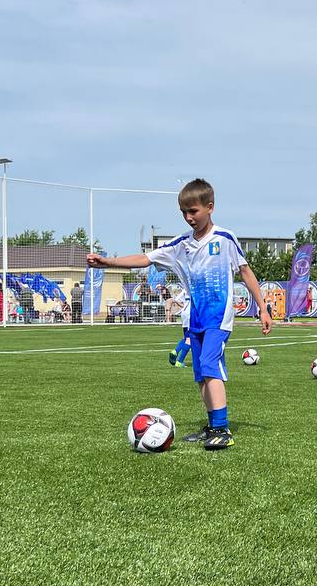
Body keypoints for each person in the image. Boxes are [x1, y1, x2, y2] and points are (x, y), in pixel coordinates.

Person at [87, 178, 271, 450]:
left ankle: (222, 429)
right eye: (184, 212)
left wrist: (263, 308)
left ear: (210, 207)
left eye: (193, 211)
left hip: (218, 317)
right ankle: (212, 426)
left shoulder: (225, 239)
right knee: (200, 374)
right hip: (194, 317)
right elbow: (145, 259)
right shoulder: (180, 245)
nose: (188, 217)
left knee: (210, 364)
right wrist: (108, 262)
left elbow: (245, 272)